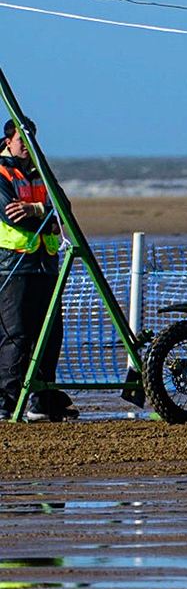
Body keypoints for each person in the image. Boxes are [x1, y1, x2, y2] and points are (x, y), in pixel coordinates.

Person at [0, 118, 68, 421]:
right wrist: (45, 218)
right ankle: (7, 402)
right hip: (14, 265)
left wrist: (37, 210)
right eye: (21, 142)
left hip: (46, 263)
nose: (27, 148)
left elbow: (63, 208)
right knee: (17, 335)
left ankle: (41, 400)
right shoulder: (2, 172)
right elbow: (12, 216)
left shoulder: (39, 169)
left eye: (31, 142)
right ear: (8, 140)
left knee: (50, 335)